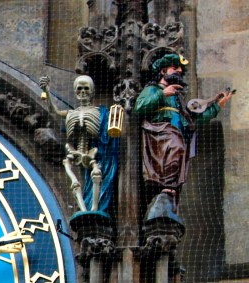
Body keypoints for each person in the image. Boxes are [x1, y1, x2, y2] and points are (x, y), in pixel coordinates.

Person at [134, 53, 234, 218]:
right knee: (176, 147)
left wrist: (217, 107)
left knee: (178, 150)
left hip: (177, 134)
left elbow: (193, 121)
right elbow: (140, 107)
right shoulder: (153, 89)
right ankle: (165, 187)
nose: (179, 71)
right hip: (160, 134)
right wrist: (163, 94)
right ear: (163, 71)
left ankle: (169, 188)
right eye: (175, 68)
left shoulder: (179, 98)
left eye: (180, 70)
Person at [39, 74, 119, 215]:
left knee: (95, 174)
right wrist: (46, 90)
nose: (82, 93)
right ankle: (83, 208)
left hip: (92, 151)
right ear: (75, 92)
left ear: (92, 92)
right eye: (79, 89)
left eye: (86, 89)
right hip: (75, 152)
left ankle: (94, 208)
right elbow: (54, 110)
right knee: (75, 178)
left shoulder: (100, 112)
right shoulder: (71, 112)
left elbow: (108, 133)